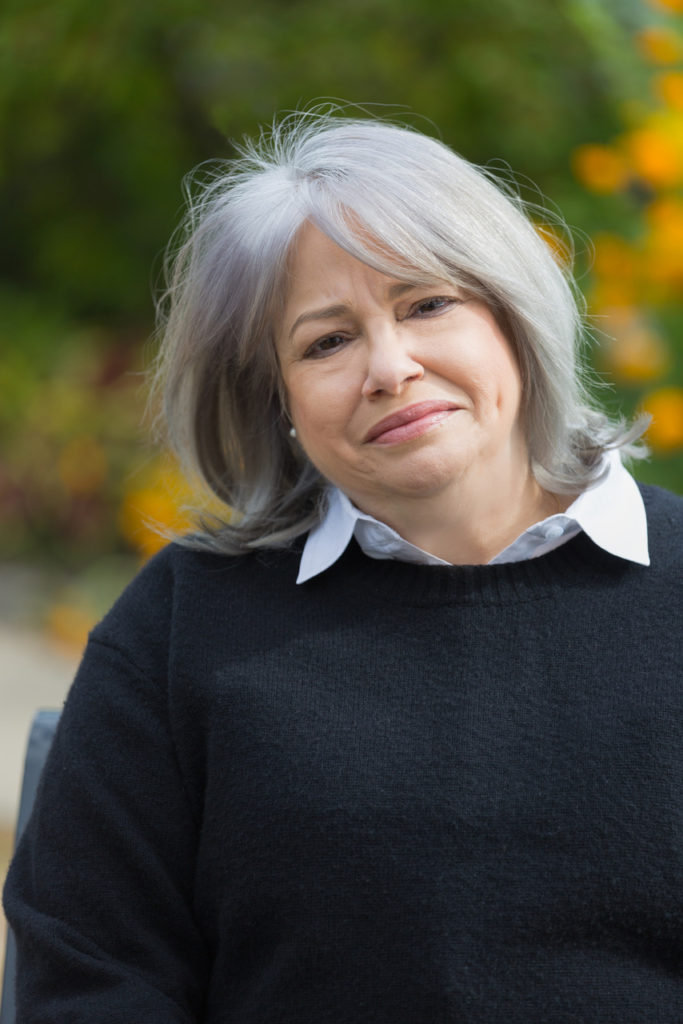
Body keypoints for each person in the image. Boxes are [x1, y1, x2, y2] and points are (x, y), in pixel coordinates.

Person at [4, 111, 683, 1023]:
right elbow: (91, 980)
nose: (389, 367)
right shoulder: (176, 632)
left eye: (427, 304)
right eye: (326, 342)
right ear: (274, 399)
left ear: (511, 318)